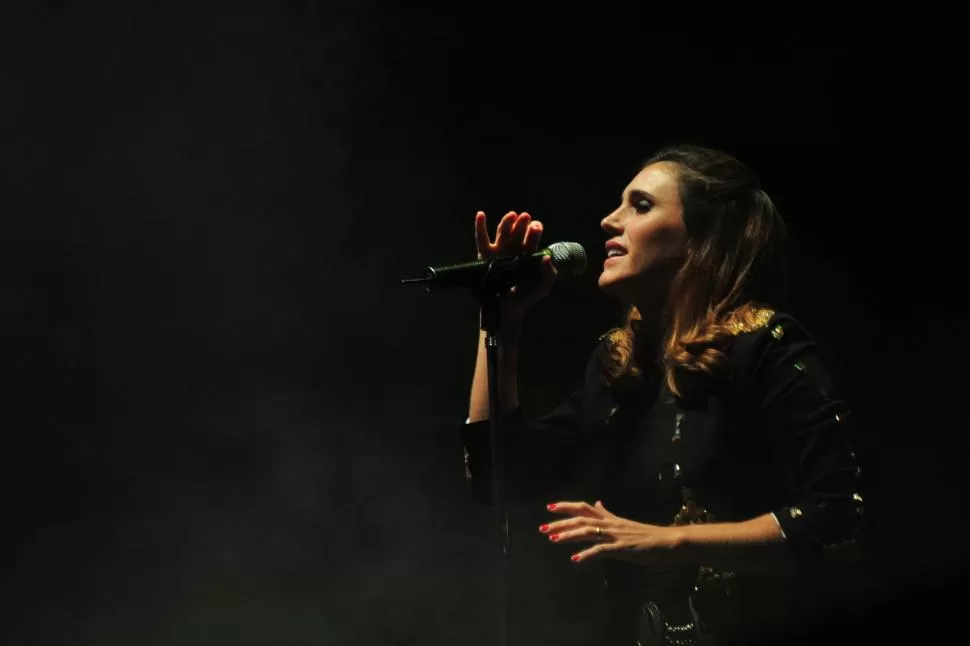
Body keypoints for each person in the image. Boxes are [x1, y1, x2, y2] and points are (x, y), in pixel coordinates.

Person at [458, 144, 866, 645]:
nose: (609, 221)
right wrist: (499, 320)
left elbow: (837, 521)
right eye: (619, 205)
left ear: (704, 238)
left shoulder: (766, 348)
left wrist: (667, 541)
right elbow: (498, 473)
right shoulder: (616, 369)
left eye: (641, 205)